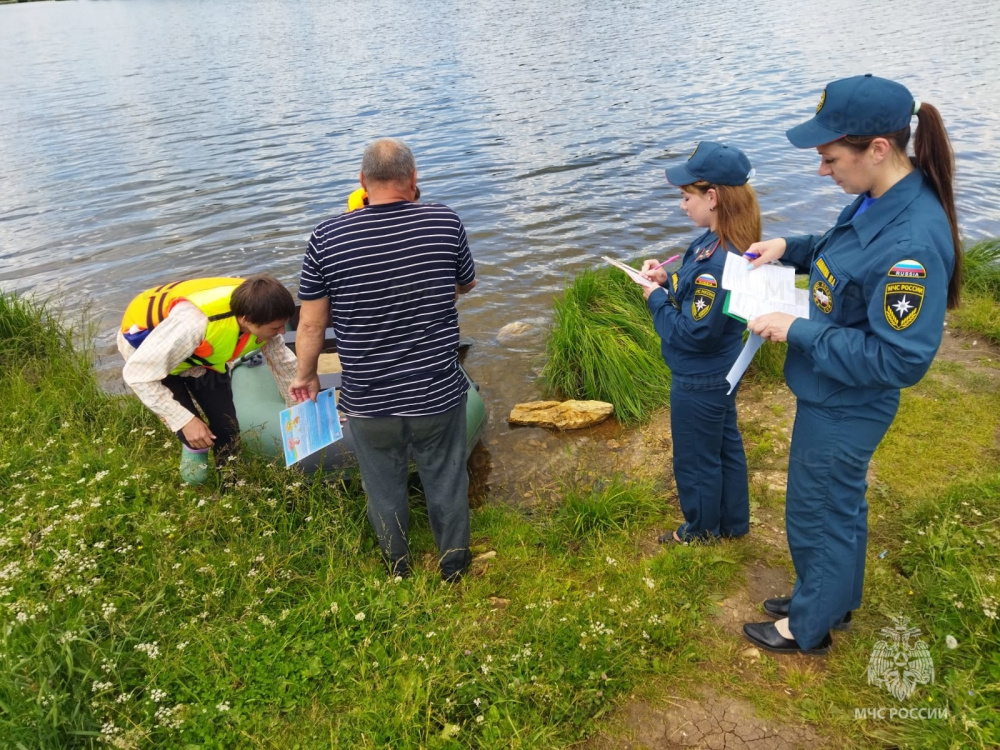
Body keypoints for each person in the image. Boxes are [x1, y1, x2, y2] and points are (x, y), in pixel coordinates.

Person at [740, 75, 961, 655]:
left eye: (830, 158)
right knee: (837, 503)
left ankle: (808, 627)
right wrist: (790, 248)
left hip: (847, 401)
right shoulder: (880, 198)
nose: (822, 171)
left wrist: (799, 330)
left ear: (878, 149)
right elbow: (843, 252)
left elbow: (900, 359)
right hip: (831, 393)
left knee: (820, 510)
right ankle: (830, 595)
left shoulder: (910, 240)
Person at [291, 138, 477, 581]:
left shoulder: (326, 237)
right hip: (437, 390)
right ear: (413, 180)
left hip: (369, 399)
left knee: (383, 488)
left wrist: (307, 376)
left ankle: (399, 567)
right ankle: (454, 566)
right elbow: (465, 284)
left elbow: (312, 326)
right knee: (447, 480)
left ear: (362, 181)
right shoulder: (443, 220)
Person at [640, 142, 758, 545]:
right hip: (724, 367)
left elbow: (692, 333)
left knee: (695, 458)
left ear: (712, 197)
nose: (682, 206)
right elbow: (704, 299)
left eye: (686, 197)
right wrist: (668, 281)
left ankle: (700, 531)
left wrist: (653, 299)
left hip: (700, 377)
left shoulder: (716, 259)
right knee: (725, 445)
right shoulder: (721, 242)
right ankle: (733, 522)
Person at [118, 275, 298, 484]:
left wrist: (301, 409)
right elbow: (138, 376)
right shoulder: (193, 325)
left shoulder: (261, 311)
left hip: (203, 357)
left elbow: (284, 364)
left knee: (227, 427)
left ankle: (232, 485)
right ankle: (196, 484)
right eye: (276, 328)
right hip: (152, 354)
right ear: (247, 319)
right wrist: (185, 421)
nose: (282, 332)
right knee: (192, 432)